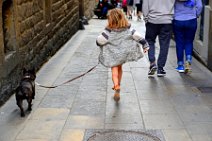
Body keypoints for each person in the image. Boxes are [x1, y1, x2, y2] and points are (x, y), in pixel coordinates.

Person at [96, 8, 149, 102]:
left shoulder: (108, 31)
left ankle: (116, 86)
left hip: (113, 55)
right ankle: (118, 85)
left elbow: (100, 40)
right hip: (122, 55)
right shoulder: (128, 28)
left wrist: (98, 43)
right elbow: (138, 36)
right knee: (119, 68)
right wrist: (145, 45)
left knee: (114, 69)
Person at [142, 0, 175, 77]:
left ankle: (152, 63)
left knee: (150, 41)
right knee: (164, 45)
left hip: (152, 20)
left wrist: (146, 19)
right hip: (167, 21)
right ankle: (160, 68)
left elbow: (145, 6)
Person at [173, 0, 203, 73]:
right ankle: (188, 60)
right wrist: (196, 14)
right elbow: (200, 6)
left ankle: (180, 66)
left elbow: (171, 5)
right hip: (191, 20)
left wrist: (174, 16)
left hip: (178, 20)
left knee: (179, 43)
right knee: (189, 42)